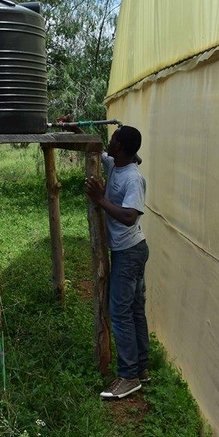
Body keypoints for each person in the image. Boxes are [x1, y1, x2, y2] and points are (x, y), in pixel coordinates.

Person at [85, 125, 150, 400]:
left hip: (130, 252)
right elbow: (97, 153)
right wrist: (77, 130)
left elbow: (129, 216)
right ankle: (141, 368)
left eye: (112, 139)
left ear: (120, 146)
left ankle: (128, 376)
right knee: (134, 310)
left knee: (120, 312)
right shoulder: (115, 163)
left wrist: (100, 199)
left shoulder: (133, 178)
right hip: (130, 251)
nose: (108, 142)